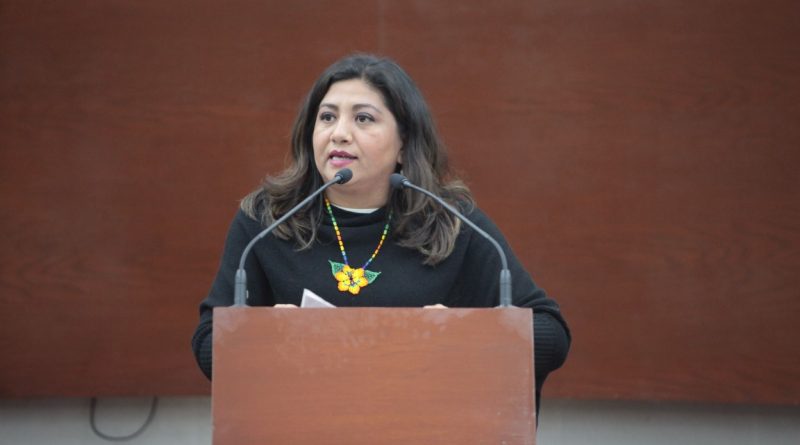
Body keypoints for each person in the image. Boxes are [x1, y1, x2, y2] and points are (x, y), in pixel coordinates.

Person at [191, 53, 570, 412]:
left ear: (404, 143)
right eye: (327, 117)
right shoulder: (267, 221)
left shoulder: (453, 222)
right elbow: (209, 345)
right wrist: (265, 336)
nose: (339, 133)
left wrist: (465, 335)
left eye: (363, 119)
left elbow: (550, 334)